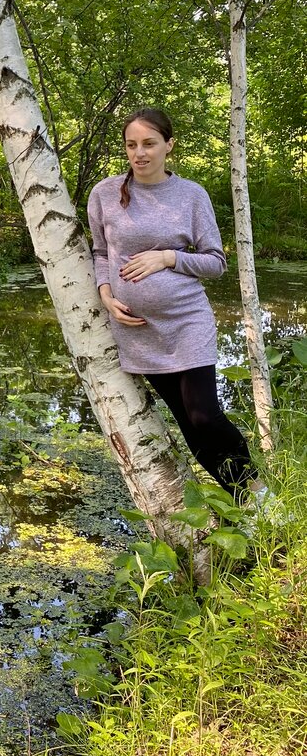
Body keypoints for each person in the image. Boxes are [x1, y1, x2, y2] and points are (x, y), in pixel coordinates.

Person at [87, 107, 259, 498]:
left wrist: (167, 257)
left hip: (186, 321)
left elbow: (215, 263)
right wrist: (107, 296)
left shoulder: (190, 195)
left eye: (149, 143)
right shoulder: (105, 194)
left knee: (205, 415)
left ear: (169, 146)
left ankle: (260, 491)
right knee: (187, 424)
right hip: (139, 331)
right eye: (131, 145)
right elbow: (99, 253)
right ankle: (244, 503)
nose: (139, 153)